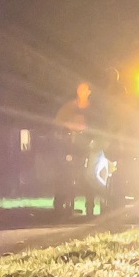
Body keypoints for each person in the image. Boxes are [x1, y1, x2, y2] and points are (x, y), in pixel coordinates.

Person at [54, 80, 99, 219]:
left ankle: (89, 206)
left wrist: (88, 135)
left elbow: (97, 126)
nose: (82, 92)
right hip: (69, 145)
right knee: (66, 175)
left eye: (85, 89)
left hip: (85, 146)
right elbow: (58, 122)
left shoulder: (92, 110)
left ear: (89, 92)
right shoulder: (68, 107)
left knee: (86, 176)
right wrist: (68, 128)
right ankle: (61, 205)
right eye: (80, 89)